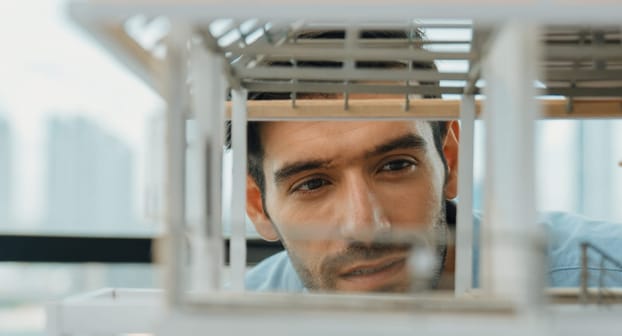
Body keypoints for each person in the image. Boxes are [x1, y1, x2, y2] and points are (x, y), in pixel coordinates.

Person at [225, 31, 622, 293]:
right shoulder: (235, 323)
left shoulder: (598, 280)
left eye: (396, 165)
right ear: (257, 204)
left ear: (449, 157)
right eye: (312, 184)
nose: (366, 227)